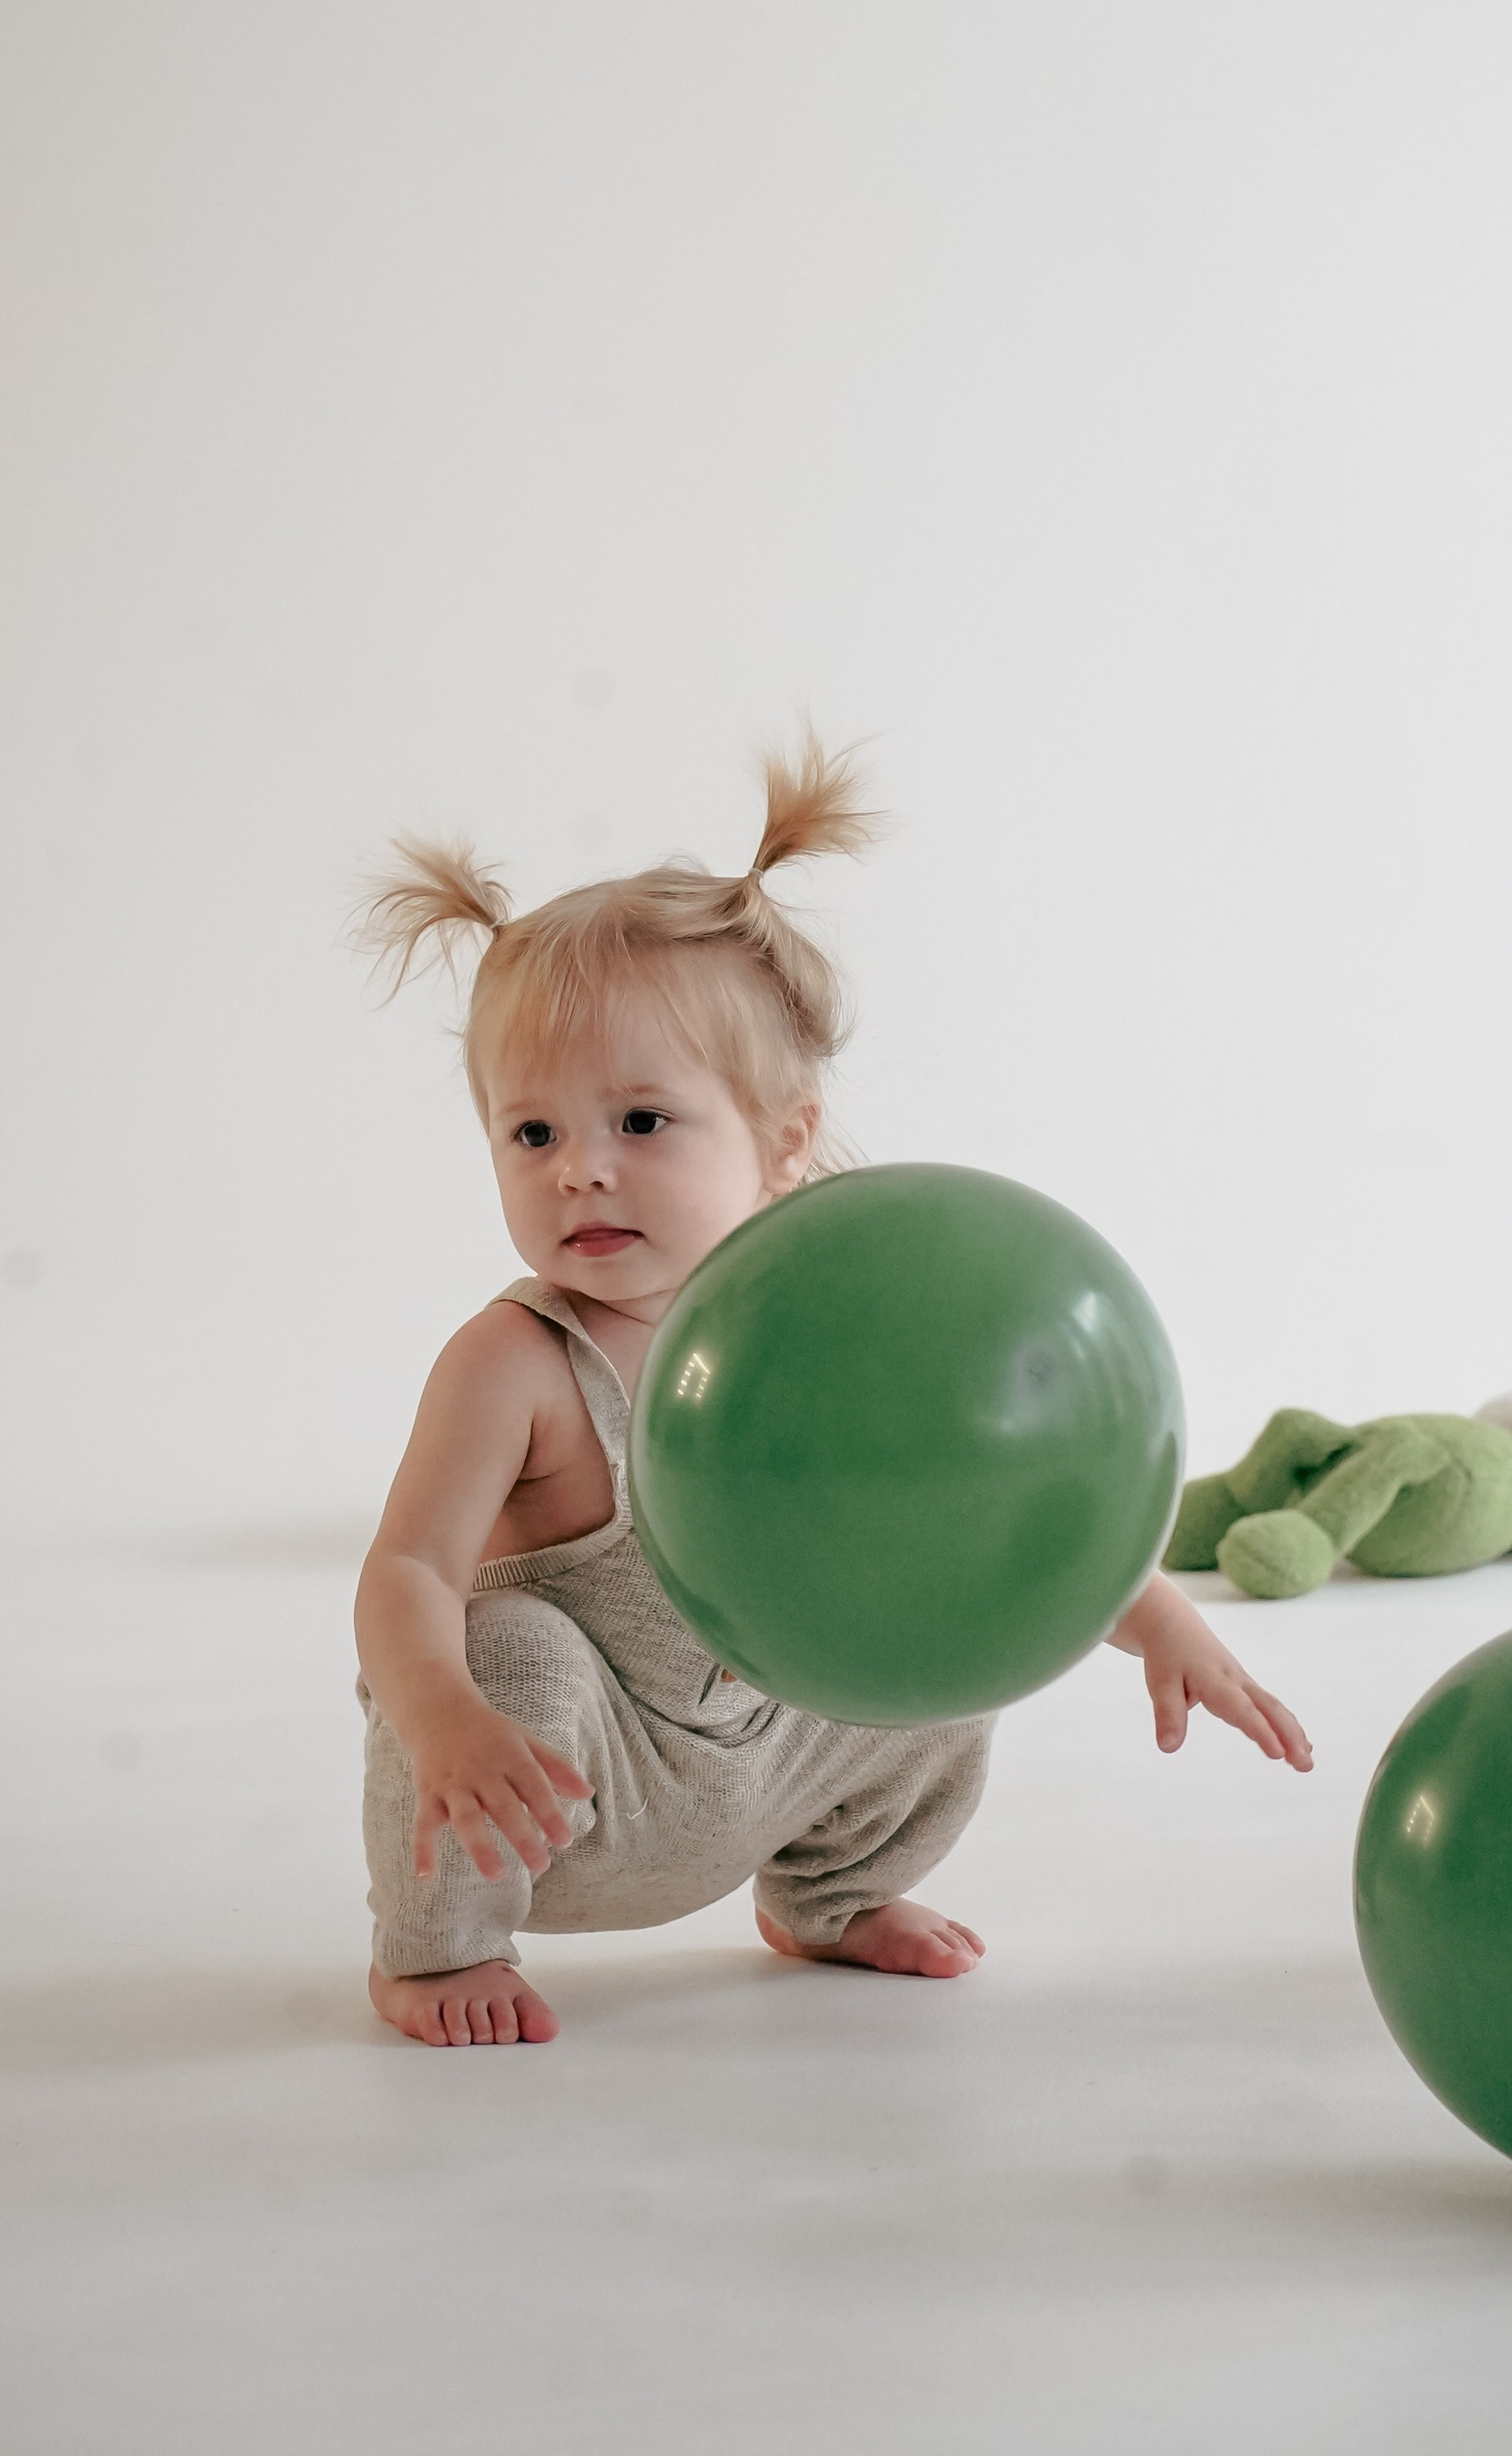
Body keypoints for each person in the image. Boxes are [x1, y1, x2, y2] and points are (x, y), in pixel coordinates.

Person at [352, 734, 1313, 2047]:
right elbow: (406, 1570)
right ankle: (437, 1951)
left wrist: (1152, 1616)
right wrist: (444, 1718)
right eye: (535, 1133)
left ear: (783, 1140)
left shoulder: (819, 1332)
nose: (579, 1169)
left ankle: (833, 1892)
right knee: (510, 1641)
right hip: (558, 1791)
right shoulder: (515, 1364)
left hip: (761, 1767)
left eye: (640, 1122)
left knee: (946, 1631)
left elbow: (968, 1509)